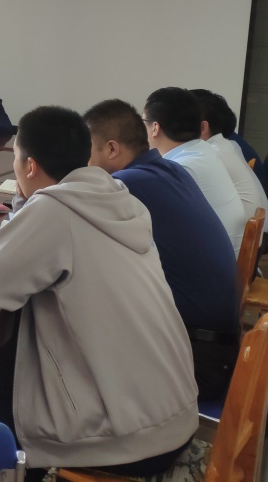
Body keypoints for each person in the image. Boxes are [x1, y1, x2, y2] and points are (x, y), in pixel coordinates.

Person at [0, 106, 197, 476]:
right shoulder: (121, 197)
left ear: (30, 166)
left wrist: (26, 205)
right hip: (175, 414)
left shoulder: (54, 210)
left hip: (123, 441)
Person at [84, 98, 239, 400]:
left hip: (196, 360)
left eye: (87, 151)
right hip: (217, 347)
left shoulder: (125, 184)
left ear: (112, 149)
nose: (83, 163)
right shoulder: (171, 170)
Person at [143, 87, 248, 255]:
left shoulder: (181, 168)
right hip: (224, 257)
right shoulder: (203, 151)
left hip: (214, 264)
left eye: (143, 121)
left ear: (155, 128)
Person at [190, 89, 268, 236]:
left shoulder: (209, 155)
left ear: (203, 127)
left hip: (240, 242)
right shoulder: (225, 146)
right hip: (249, 236)